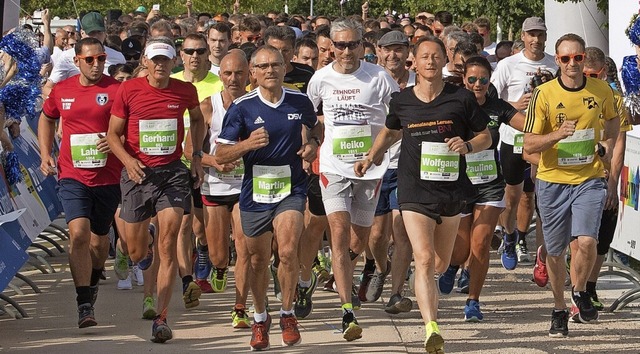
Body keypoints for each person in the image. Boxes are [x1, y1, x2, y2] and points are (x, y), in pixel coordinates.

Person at [354, 35, 491, 354]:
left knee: (441, 263)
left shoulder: (461, 99)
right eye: (424, 56)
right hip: (413, 187)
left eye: (436, 56)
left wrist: (468, 145)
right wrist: (371, 156)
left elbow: (485, 136)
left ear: (445, 61)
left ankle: (424, 281)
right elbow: (390, 130)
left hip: (451, 189)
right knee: (425, 258)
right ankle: (432, 327)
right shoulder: (402, 101)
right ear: (413, 62)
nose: (430, 61)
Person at [215, 45, 321, 351]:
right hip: (255, 193)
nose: (270, 70)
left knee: (287, 251)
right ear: (253, 73)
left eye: (275, 64)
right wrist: (246, 144)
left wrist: (313, 144)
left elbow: (315, 127)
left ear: (285, 67)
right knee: (258, 260)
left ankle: (288, 314)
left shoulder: (299, 100)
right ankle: (261, 318)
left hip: (292, 188)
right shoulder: (243, 107)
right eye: (263, 66)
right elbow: (220, 153)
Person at [106, 36, 205, 343]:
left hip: (172, 173)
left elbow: (198, 120)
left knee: (169, 241)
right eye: (155, 60)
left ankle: (161, 318)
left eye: (166, 60)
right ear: (145, 63)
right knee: (137, 253)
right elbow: (112, 134)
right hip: (137, 175)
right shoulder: (128, 89)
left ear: (174, 62)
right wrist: (127, 160)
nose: (161, 65)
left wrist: (197, 155)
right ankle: (142, 243)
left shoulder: (185, 90)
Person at [306, 18, 399, 341]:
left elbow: (397, 121)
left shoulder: (379, 78)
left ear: (363, 45)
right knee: (339, 233)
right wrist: (310, 143)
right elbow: (310, 118)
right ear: (331, 47)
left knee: (357, 243)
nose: (346, 51)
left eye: (352, 44)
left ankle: (330, 275)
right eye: (340, 45)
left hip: (370, 170)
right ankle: (347, 310)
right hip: (333, 169)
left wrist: (375, 153)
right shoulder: (320, 79)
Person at [523, 33, 619, 337]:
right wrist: (556, 135)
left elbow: (614, 121)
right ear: (557, 59)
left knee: (587, 242)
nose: (573, 64)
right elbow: (528, 143)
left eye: (578, 58)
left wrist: (606, 143)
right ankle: (559, 307)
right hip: (552, 181)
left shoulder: (602, 90)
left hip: (588, 179)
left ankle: (579, 291)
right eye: (566, 59)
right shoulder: (544, 94)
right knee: (555, 251)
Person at [38, 37, 122, 328]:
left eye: (100, 59)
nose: (97, 64)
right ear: (77, 62)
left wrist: (117, 142)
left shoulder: (117, 89)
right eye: (90, 60)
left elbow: (130, 126)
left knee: (99, 243)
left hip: (108, 176)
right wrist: (45, 153)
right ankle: (84, 303)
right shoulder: (62, 90)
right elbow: (47, 119)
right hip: (72, 175)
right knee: (78, 234)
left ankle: (94, 277)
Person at [438, 56, 525, 322]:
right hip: (459, 183)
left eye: (483, 80)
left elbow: (528, 124)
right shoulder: (453, 105)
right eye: (472, 80)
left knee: (481, 244)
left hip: (488, 182)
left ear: (490, 81)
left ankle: (473, 301)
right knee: (461, 248)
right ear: (464, 80)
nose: (478, 85)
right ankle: (454, 265)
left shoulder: (497, 106)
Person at [185, 49, 252, 328]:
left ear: (248, 74)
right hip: (214, 186)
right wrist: (215, 161)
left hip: (246, 186)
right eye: (227, 73)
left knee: (244, 246)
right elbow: (190, 149)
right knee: (218, 254)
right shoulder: (208, 105)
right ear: (220, 75)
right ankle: (220, 268)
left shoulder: (256, 103)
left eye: (239, 73)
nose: (233, 79)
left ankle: (240, 308)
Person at [567, 46, 631, 312]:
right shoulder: (569, 92)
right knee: (580, 239)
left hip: (602, 175)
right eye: (586, 73)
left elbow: (619, 144)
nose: (589, 77)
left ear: (603, 73)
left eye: (594, 73)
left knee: (601, 236)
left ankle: (588, 288)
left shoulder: (614, 99)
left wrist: (613, 183)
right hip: (572, 174)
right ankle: (576, 291)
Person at [491, 17, 557, 269]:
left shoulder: (554, 63)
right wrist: (513, 107)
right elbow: (491, 98)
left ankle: (521, 239)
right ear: (523, 36)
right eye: (531, 35)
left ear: (545, 37)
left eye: (540, 35)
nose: (536, 40)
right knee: (511, 196)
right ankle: (507, 237)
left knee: (531, 197)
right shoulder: (509, 64)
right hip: (513, 139)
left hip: (541, 141)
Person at [363, 30, 415, 311]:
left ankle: (397, 293)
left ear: (408, 52)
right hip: (375, 166)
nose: (393, 55)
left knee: (401, 232)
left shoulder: (420, 84)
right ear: (379, 52)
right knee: (376, 236)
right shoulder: (368, 80)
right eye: (388, 50)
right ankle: (381, 269)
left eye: (399, 49)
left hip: (406, 166)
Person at [171, 33, 224, 302]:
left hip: (208, 163)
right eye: (189, 51)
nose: (195, 56)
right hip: (176, 162)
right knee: (182, 225)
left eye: (200, 51)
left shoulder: (219, 83)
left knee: (202, 227)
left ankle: (203, 248)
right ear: (181, 55)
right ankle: (186, 280)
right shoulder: (172, 82)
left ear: (207, 54)